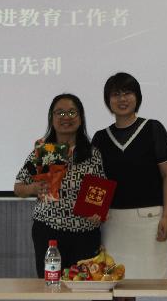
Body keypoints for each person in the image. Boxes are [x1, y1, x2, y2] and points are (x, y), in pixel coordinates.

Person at [92, 72, 167, 279]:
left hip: (149, 221)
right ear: (108, 100)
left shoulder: (153, 128)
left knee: (152, 284)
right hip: (112, 223)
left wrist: (166, 216)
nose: (122, 99)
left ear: (137, 97)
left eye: (128, 93)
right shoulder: (100, 138)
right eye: (116, 94)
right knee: (114, 282)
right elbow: (96, 184)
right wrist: (94, 213)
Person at [14, 93, 105, 278]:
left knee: (84, 288)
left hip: (85, 234)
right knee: (51, 285)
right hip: (48, 233)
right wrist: (33, 188)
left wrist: (98, 214)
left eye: (72, 112)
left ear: (81, 117)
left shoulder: (92, 153)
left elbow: (99, 193)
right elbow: (18, 187)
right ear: (52, 118)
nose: (66, 118)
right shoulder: (43, 151)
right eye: (60, 113)